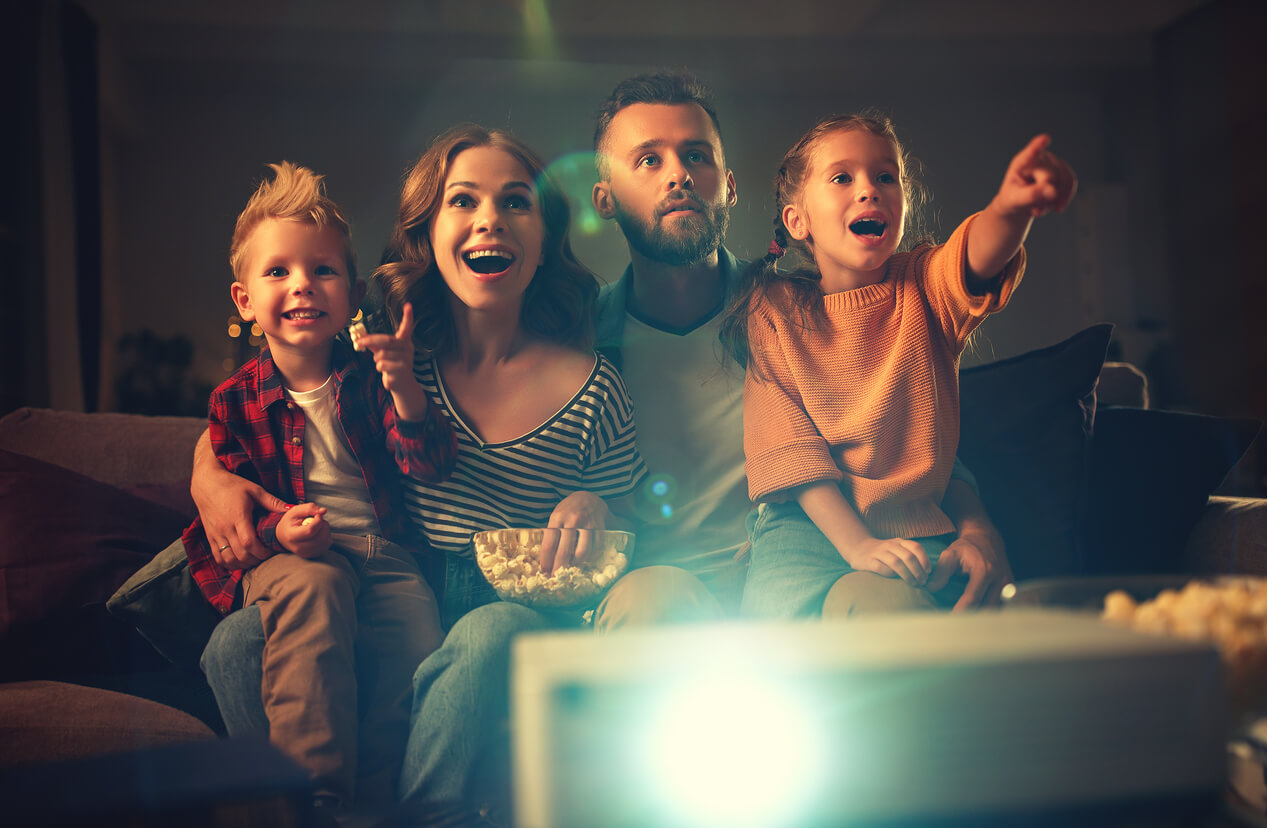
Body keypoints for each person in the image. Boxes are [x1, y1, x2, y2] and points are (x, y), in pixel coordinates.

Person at [589, 71, 1016, 625]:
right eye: (648, 160)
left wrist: (980, 529)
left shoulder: (796, 309)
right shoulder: (581, 336)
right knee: (650, 607)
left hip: (818, 571)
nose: (679, 175)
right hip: (661, 592)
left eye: (697, 156)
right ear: (604, 198)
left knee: (889, 615)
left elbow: (900, 436)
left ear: (730, 185)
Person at [182, 161, 458, 817]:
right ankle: (315, 790)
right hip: (291, 558)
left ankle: (376, 792)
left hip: (382, 551)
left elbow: (427, 464)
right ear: (245, 299)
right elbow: (234, 516)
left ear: (353, 290)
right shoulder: (234, 401)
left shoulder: (370, 376)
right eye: (278, 271)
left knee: (413, 626)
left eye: (322, 270)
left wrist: (407, 392)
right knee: (317, 586)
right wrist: (280, 533)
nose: (302, 285)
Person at [723, 112, 1076, 620]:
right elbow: (788, 454)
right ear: (796, 220)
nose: (869, 189)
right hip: (805, 534)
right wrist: (858, 547)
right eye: (842, 177)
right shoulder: (773, 311)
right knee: (781, 652)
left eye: (885, 176)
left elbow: (976, 255)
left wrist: (1011, 207)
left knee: (905, 621)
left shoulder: (924, 287)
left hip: (913, 529)